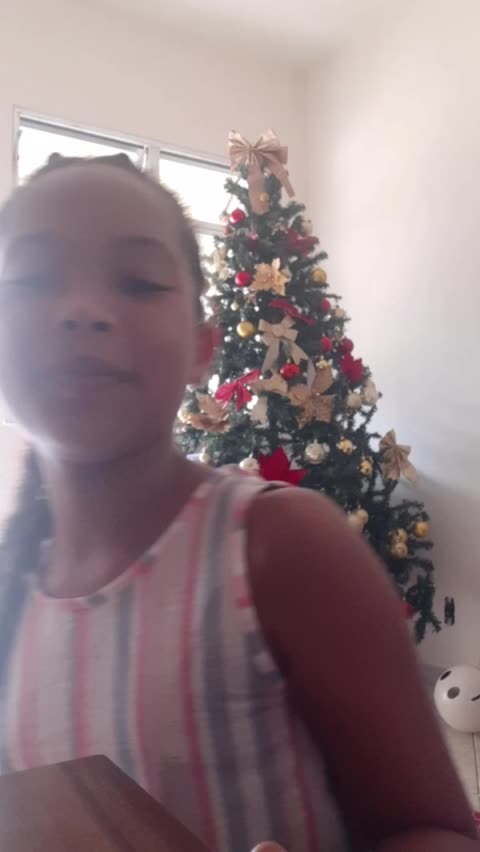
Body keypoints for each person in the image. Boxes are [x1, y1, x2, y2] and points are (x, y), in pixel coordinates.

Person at [0, 153, 475, 852]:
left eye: (137, 281)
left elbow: (436, 830)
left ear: (204, 348)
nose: (83, 311)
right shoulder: (12, 589)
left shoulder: (281, 546)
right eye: (33, 278)